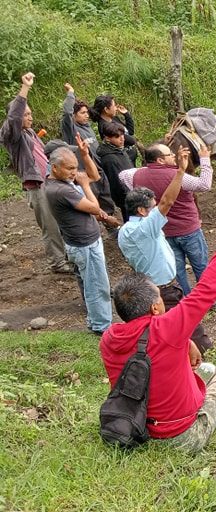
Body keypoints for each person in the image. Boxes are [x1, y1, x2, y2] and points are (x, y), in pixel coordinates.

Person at [101, 201, 216, 453]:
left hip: (136, 426)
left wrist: (186, 341)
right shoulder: (168, 327)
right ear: (155, 308)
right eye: (159, 296)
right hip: (181, 437)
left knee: (208, 369)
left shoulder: (110, 338)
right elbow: (207, 289)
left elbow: (147, 346)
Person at [118, 147, 213, 354]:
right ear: (142, 211)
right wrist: (179, 171)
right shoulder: (145, 228)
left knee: (172, 326)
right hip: (163, 290)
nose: (156, 210)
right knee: (184, 328)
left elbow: (124, 175)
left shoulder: (127, 229)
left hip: (160, 286)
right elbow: (168, 201)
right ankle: (197, 355)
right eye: (152, 207)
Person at [1, 72, 73, 273]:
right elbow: (14, 115)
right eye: (25, 114)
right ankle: (57, 262)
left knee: (61, 220)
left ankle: (67, 255)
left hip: (50, 182)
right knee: (49, 226)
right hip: (37, 186)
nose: (29, 117)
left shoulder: (30, 133)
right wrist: (25, 88)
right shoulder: (11, 135)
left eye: (30, 113)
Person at [45, 139, 118, 335]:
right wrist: (84, 185)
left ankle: (96, 321)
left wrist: (85, 156)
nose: (73, 172)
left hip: (82, 242)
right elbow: (94, 207)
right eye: (69, 168)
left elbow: (94, 176)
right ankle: (102, 327)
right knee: (96, 285)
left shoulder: (61, 180)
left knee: (91, 282)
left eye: (75, 168)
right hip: (84, 244)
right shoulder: (61, 189)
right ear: (54, 167)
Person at [121, 143, 214, 296]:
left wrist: (147, 172)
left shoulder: (134, 175)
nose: (174, 156)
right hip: (188, 228)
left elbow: (122, 175)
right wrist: (204, 160)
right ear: (160, 160)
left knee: (177, 271)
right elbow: (204, 184)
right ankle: (208, 299)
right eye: (170, 154)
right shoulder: (179, 177)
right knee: (201, 265)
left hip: (163, 232)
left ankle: (184, 299)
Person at [97, 122, 134, 221]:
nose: (122, 139)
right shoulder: (109, 158)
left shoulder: (119, 149)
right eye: (117, 137)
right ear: (108, 138)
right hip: (125, 198)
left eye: (122, 135)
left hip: (131, 192)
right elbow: (116, 182)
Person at [91, 93, 137, 165]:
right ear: (106, 109)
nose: (116, 108)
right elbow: (131, 141)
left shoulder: (113, 119)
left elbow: (130, 131)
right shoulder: (105, 126)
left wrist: (126, 114)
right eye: (114, 105)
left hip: (129, 157)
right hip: (123, 160)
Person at [60, 83, 99, 158]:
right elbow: (67, 112)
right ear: (74, 114)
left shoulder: (88, 127)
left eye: (87, 112)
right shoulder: (70, 128)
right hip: (82, 168)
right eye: (83, 113)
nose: (87, 115)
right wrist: (71, 92)